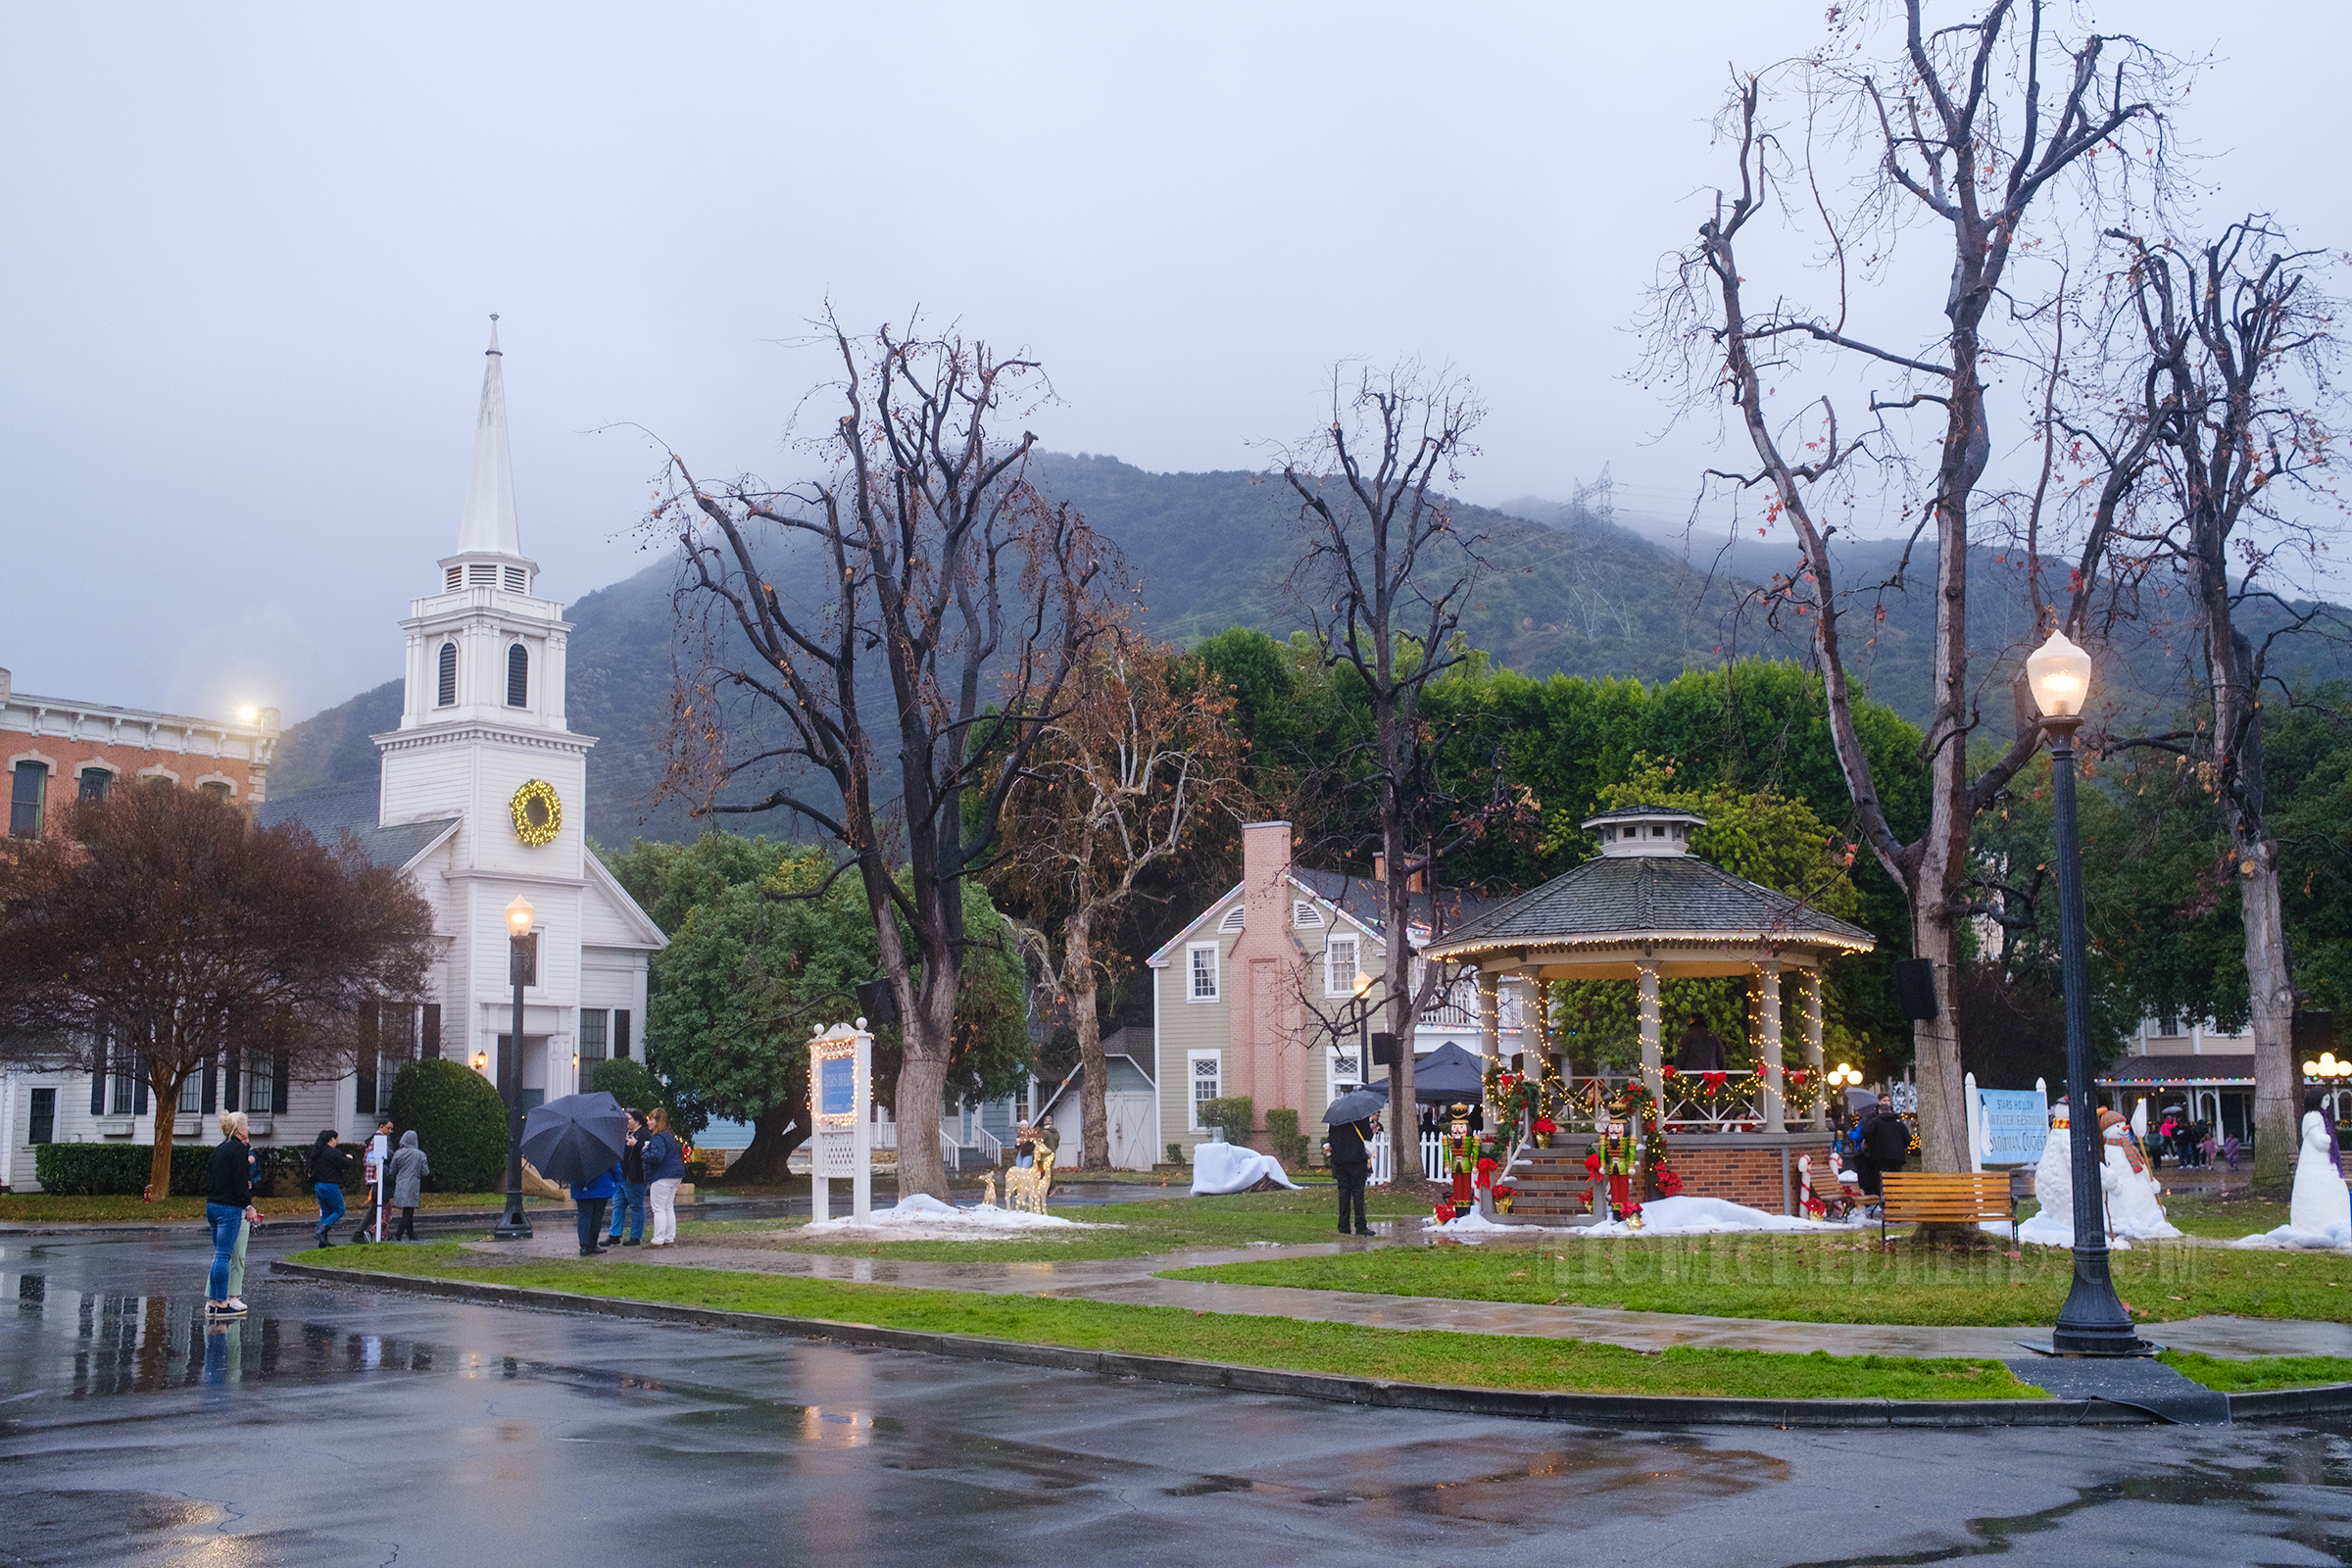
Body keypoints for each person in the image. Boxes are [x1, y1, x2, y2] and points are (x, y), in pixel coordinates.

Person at [205, 1110, 261, 1316]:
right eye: (246, 1126)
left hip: (213, 1204)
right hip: (229, 1208)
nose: (248, 1129)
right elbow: (239, 1182)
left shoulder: (220, 1149)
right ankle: (220, 1303)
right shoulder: (239, 1151)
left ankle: (213, 1299)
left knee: (219, 1254)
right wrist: (248, 1206)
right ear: (239, 1130)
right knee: (223, 1255)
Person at [1854, 1095, 1910, 1216]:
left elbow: (1866, 1131)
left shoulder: (1875, 1121)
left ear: (1879, 1111)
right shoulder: (1898, 1123)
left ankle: (1884, 1203)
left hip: (1880, 1156)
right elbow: (1908, 1140)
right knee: (1895, 1179)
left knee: (1882, 1180)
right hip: (1897, 1157)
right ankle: (1896, 1203)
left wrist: (1872, 1143)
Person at [642, 1107, 686, 1248]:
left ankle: (658, 1239)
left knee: (659, 1208)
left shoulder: (658, 1137)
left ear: (657, 1121)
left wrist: (644, 1153)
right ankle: (669, 1237)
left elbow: (657, 1156)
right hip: (676, 1174)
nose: (648, 1123)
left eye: (651, 1120)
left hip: (663, 1175)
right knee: (668, 1207)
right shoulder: (669, 1135)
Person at [1329, 1110, 1376, 1236]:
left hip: (1340, 1161)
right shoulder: (1361, 1117)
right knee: (1358, 1193)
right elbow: (1367, 1136)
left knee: (1343, 1193)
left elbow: (1331, 1138)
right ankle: (1360, 1226)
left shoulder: (1335, 1119)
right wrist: (1372, 1128)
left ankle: (1343, 1225)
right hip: (1356, 1160)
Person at [607, 1109, 649, 1247]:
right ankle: (614, 1234)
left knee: (636, 1206)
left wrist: (636, 1145)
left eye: (628, 1119)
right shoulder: (624, 1133)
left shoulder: (644, 1134)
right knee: (618, 1205)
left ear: (637, 1120)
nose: (626, 1122)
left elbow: (648, 1152)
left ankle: (635, 1236)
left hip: (635, 1176)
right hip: (621, 1175)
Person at [309, 1130, 355, 1246]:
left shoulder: (318, 1152)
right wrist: (349, 1158)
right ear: (332, 1139)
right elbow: (345, 1163)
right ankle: (321, 1230)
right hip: (330, 1185)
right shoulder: (331, 1152)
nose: (337, 1143)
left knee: (326, 1212)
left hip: (319, 1185)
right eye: (336, 1140)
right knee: (339, 1209)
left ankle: (322, 1242)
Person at [571, 1156, 619, 1257]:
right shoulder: (603, 1150)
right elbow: (615, 1167)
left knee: (584, 1215)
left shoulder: (572, 1151)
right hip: (601, 1185)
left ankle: (584, 1245)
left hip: (580, 1187)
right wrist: (617, 1179)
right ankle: (593, 1244)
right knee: (597, 1216)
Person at [388, 1129, 429, 1241]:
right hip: (413, 1184)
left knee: (407, 1210)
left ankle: (411, 1235)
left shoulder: (398, 1153)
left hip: (401, 1184)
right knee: (408, 1210)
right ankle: (398, 1235)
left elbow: (392, 1171)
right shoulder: (421, 1155)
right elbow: (425, 1172)